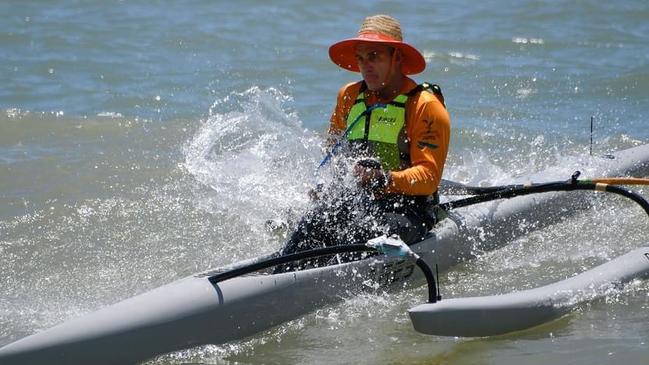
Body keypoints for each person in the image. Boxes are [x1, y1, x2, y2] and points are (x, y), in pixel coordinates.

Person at [278, 14, 450, 267]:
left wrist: (384, 179)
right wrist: (329, 186)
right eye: (360, 58)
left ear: (398, 57)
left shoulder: (425, 106)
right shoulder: (348, 96)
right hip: (359, 204)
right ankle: (279, 272)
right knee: (317, 219)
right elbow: (335, 153)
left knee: (350, 228)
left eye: (374, 56)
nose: (365, 65)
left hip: (408, 211)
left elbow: (428, 178)